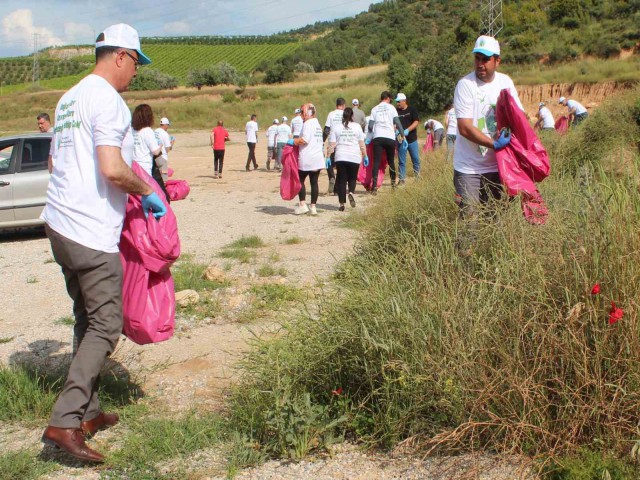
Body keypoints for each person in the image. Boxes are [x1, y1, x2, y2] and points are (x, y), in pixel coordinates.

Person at [40, 23, 165, 463]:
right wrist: (145, 191)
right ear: (120, 56)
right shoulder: (110, 102)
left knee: (85, 318)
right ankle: (66, 421)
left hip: (59, 223)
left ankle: (90, 412)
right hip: (90, 231)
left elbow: (57, 159)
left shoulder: (70, 97)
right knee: (106, 325)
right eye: (136, 62)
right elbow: (112, 168)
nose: (136, 73)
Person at [453, 34, 522, 222]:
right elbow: (465, 127)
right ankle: (465, 253)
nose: (480, 63)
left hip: (499, 166)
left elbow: (519, 117)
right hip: (469, 170)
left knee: (496, 222)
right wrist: (494, 144)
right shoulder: (465, 85)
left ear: (497, 61)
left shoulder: (505, 82)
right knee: (470, 223)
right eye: (477, 58)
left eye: (486, 59)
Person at [288, 103, 324, 215]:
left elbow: (305, 140)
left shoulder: (308, 123)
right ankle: (313, 207)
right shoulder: (317, 124)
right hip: (317, 157)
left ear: (308, 113)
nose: (302, 115)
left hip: (308, 157)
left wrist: (294, 141)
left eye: (303, 112)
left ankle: (303, 204)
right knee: (314, 182)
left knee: (300, 180)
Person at [328, 107, 366, 211]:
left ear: (343, 116)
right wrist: (365, 155)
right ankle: (351, 193)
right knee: (352, 178)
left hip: (341, 156)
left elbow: (332, 145)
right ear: (352, 116)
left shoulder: (337, 127)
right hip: (354, 156)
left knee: (342, 180)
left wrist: (327, 157)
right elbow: (361, 143)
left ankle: (341, 204)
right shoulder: (357, 127)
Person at [369, 90, 405, 194]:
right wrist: (403, 135)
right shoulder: (392, 108)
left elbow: (370, 126)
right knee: (391, 161)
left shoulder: (374, 109)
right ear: (388, 98)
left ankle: (374, 187)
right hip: (389, 137)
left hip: (378, 137)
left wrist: (370, 135)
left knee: (376, 162)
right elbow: (397, 123)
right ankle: (393, 185)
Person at [395, 93, 420, 185]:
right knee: (401, 161)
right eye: (397, 102)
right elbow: (394, 123)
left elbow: (416, 121)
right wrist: (396, 131)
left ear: (404, 101)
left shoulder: (412, 109)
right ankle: (402, 180)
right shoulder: (396, 111)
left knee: (415, 159)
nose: (397, 103)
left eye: (399, 101)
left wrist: (407, 130)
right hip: (401, 140)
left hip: (412, 139)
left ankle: (417, 178)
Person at [132, 104, 162, 177]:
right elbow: (155, 151)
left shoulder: (132, 130)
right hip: (144, 166)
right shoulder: (147, 131)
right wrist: (160, 146)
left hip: (132, 165)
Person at [323, 97, 346, 194]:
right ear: (343, 105)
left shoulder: (331, 114)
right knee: (341, 165)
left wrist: (322, 141)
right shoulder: (345, 114)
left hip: (332, 142)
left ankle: (331, 176)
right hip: (342, 142)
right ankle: (337, 189)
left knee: (329, 163)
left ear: (336, 105)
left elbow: (326, 129)